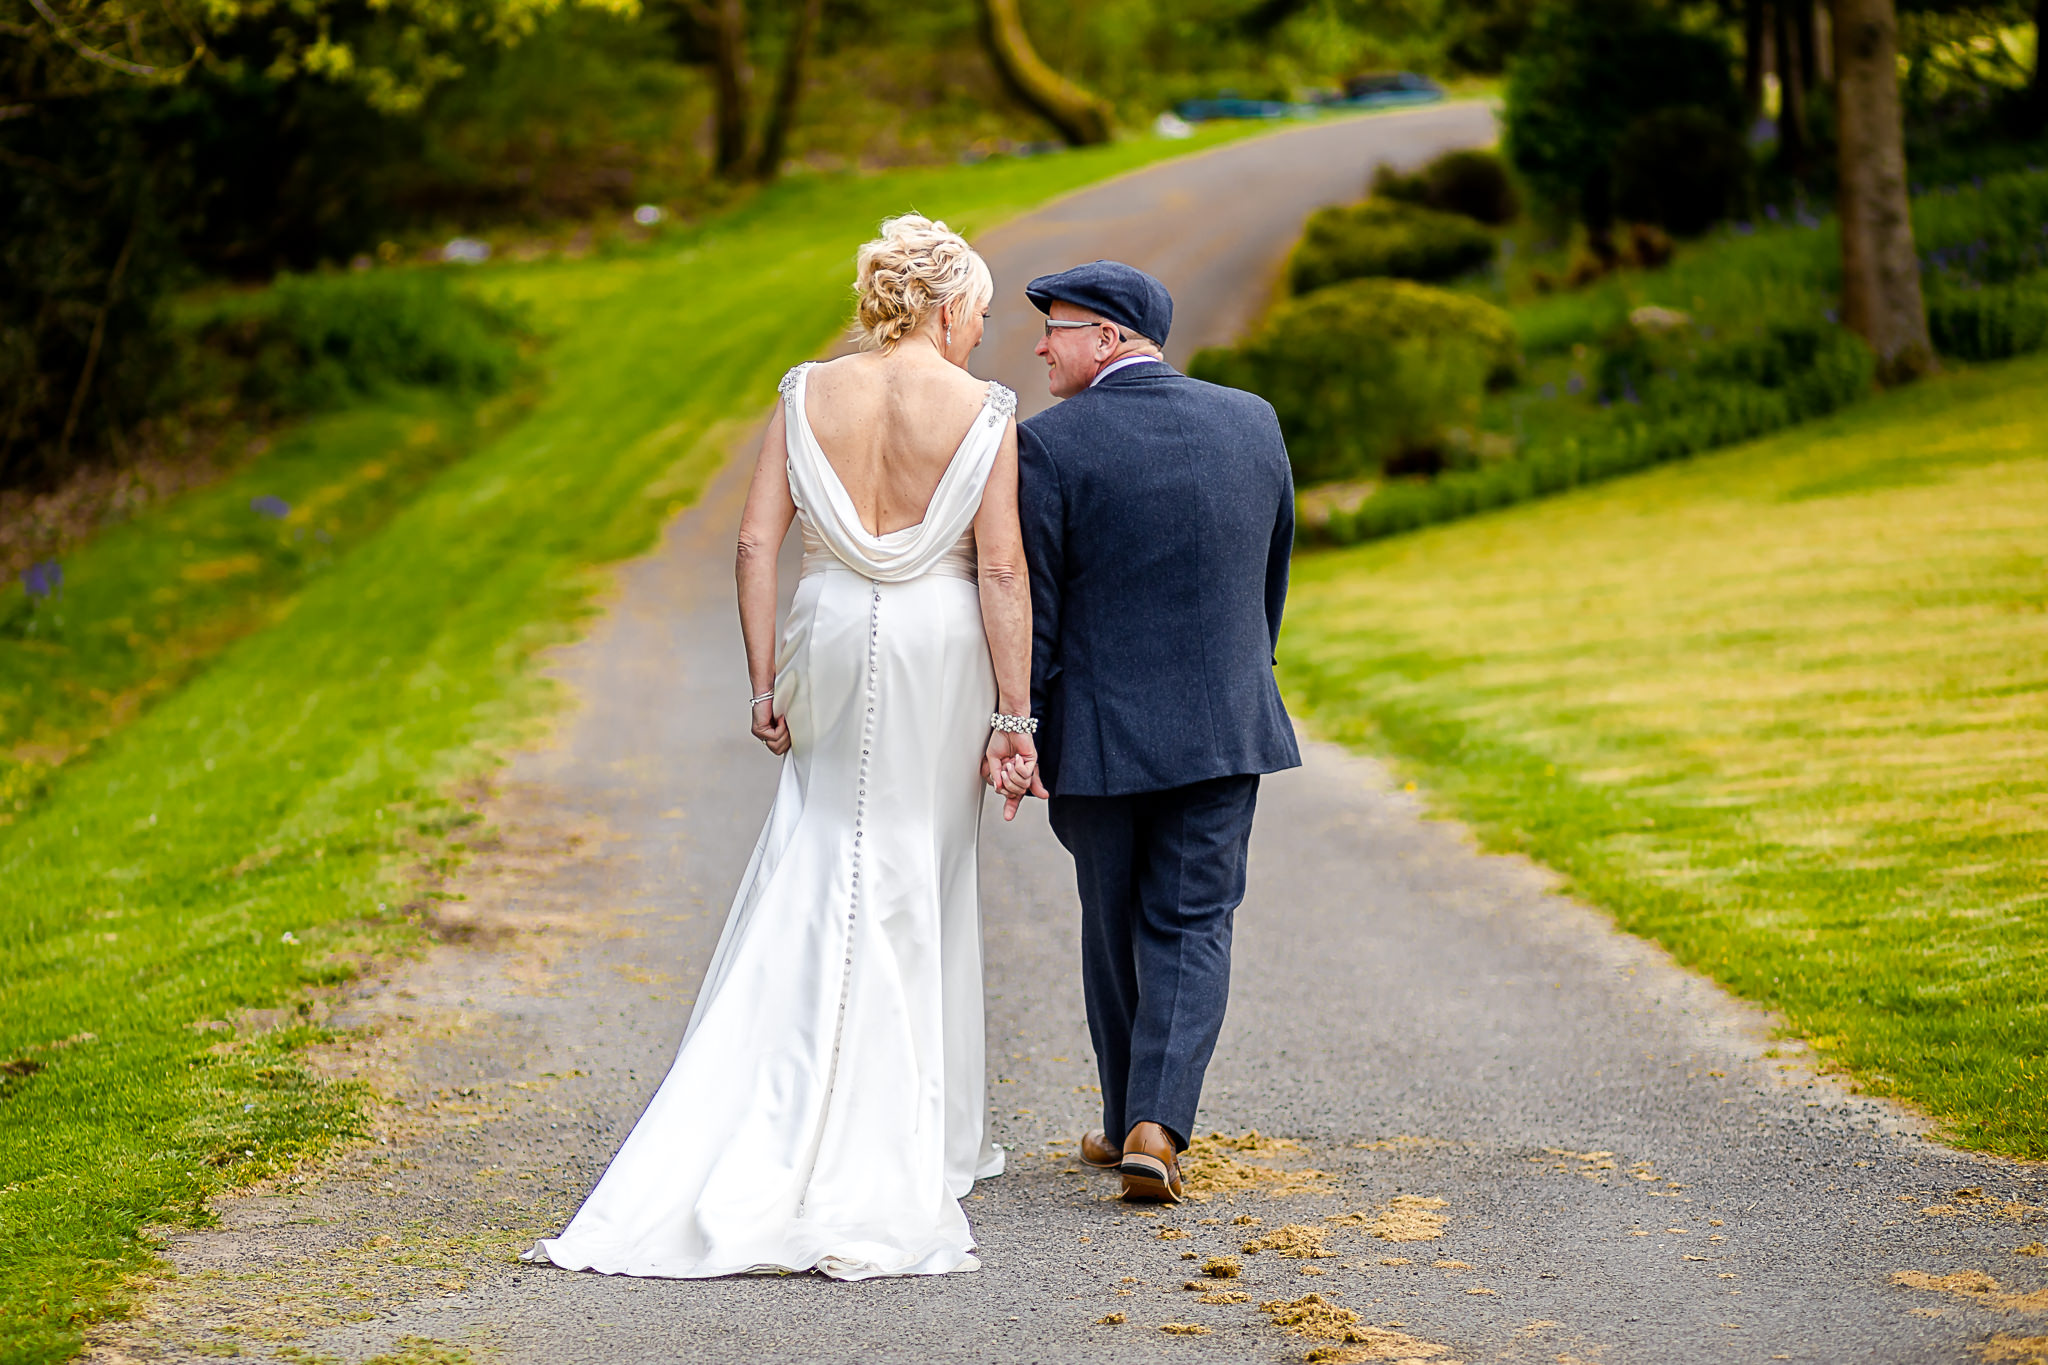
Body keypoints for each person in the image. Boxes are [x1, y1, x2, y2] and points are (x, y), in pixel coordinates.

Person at [523, 215, 1035, 1280]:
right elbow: (998, 572)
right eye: (979, 316)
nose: (982, 337)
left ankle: (781, 1095)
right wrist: (1014, 716)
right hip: (941, 648)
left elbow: (757, 540)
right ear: (946, 308)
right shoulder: (982, 410)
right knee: (913, 862)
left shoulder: (805, 392)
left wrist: (763, 680)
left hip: (831, 632)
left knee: (822, 845)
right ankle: (907, 1134)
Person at [1012, 260, 1301, 1203]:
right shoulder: (1252, 419)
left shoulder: (1047, 447)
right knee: (1193, 919)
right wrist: (1238, 676)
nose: (1042, 344)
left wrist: (1027, 724)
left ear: (1109, 338)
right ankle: (1153, 1123)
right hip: (1226, 720)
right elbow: (1272, 577)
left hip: (1097, 736)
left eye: (1055, 326)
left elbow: (1037, 610)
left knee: (1113, 922)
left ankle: (1126, 1115)